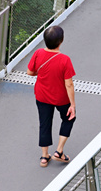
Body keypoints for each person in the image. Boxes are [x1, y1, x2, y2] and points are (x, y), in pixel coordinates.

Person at [27, 25, 76, 167]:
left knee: (44, 123)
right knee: (69, 118)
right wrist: (72, 105)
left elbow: (30, 72)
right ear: (61, 41)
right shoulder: (64, 59)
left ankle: (44, 157)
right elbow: (69, 85)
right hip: (60, 98)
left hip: (42, 95)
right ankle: (59, 152)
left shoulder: (38, 53)